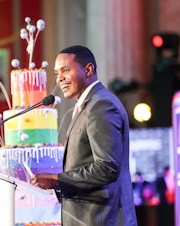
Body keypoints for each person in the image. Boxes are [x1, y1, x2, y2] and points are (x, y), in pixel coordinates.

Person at [30, 45, 138, 226]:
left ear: (88, 69)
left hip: (102, 218)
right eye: (57, 73)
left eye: (65, 70)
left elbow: (106, 168)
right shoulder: (86, 105)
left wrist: (58, 180)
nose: (59, 79)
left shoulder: (101, 105)